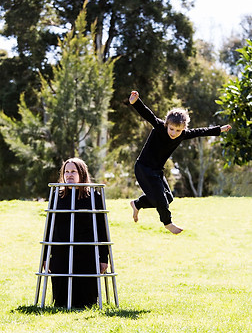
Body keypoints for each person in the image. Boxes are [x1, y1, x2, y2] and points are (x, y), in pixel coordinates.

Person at [128, 91, 232, 234]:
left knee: (168, 198)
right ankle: (168, 223)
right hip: (144, 168)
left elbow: (201, 131)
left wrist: (219, 129)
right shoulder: (160, 126)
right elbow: (148, 114)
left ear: (183, 129)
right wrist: (135, 102)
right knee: (160, 198)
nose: (173, 133)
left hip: (157, 170)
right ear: (167, 124)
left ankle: (137, 204)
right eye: (171, 129)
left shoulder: (183, 135)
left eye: (178, 130)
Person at [44, 157, 109, 308]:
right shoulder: (57, 195)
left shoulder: (93, 196)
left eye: (73, 171)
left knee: (86, 301)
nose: (69, 175)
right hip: (61, 252)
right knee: (60, 302)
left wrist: (103, 257)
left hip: (86, 252)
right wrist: (47, 256)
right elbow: (50, 228)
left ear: (82, 173)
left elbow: (102, 228)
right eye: (66, 172)